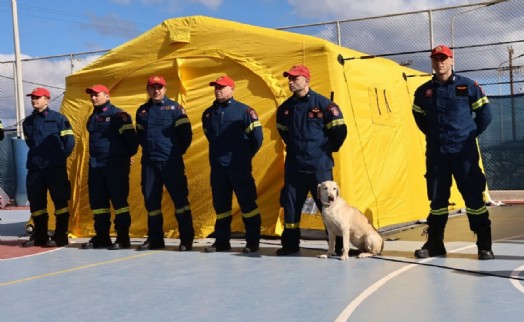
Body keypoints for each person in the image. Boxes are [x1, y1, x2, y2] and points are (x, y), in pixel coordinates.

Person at [412, 45, 494, 260]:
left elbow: (485, 114)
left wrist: (469, 135)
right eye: (436, 59)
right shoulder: (423, 92)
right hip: (437, 153)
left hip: (463, 153)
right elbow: (419, 117)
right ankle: (435, 243)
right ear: (432, 62)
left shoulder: (468, 86)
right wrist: (434, 136)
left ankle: (484, 244)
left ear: (451, 61)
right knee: (437, 199)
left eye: (443, 58)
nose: (439, 62)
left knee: (473, 196)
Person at [276, 65, 347, 256]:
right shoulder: (285, 109)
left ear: (306, 80)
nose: (290, 82)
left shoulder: (324, 105)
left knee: (329, 208)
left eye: (294, 78)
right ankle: (290, 245)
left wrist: (326, 149)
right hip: (295, 167)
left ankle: (337, 246)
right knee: (291, 207)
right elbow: (283, 131)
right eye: (289, 78)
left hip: (319, 167)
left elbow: (340, 130)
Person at [201, 76, 263, 253]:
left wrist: (244, 156)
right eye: (216, 87)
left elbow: (257, 138)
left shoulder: (244, 111)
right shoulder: (208, 113)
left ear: (231, 89)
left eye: (222, 87)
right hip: (218, 168)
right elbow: (210, 135)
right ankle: (221, 242)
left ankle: (252, 242)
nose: (218, 90)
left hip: (239, 167)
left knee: (248, 205)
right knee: (221, 207)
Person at [135, 75, 194, 251]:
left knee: (180, 201)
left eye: (159, 87)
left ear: (165, 89)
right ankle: (155, 239)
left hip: (171, 163)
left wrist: (175, 153)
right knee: (151, 203)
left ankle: (186, 239)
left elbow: (186, 135)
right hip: (150, 164)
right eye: (152, 87)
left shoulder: (175, 109)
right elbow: (140, 135)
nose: (156, 90)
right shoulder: (142, 111)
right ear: (148, 89)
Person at [81, 85, 139, 250]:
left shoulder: (119, 116)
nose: (93, 98)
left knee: (119, 203)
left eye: (96, 95)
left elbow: (132, 142)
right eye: (91, 95)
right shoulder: (92, 117)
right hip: (96, 167)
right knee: (98, 204)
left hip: (115, 167)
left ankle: (122, 238)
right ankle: (102, 236)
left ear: (107, 95)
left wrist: (122, 157)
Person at [22, 87, 75, 247]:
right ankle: (40, 236)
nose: (34, 100)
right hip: (35, 169)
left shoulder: (59, 119)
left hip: (55, 169)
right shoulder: (28, 122)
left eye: (38, 97)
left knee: (60, 202)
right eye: (32, 97)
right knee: (37, 204)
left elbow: (70, 143)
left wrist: (57, 158)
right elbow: (30, 143)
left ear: (47, 99)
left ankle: (60, 237)